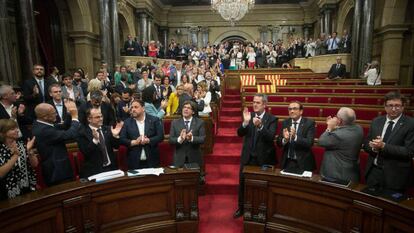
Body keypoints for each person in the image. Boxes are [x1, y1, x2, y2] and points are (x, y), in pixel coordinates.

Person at [234, 94, 277, 218]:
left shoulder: (272, 119)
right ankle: (241, 208)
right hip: (247, 156)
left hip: (263, 158)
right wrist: (245, 123)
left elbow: (270, 137)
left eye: (258, 102)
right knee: (242, 183)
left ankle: (260, 210)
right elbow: (239, 133)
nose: (254, 104)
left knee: (262, 185)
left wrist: (260, 126)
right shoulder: (249, 116)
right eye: (253, 102)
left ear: (264, 104)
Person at [363, 92, 414, 194]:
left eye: (397, 106)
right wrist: (374, 147)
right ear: (385, 107)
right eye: (390, 105)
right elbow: (366, 143)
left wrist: (383, 146)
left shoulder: (411, 124)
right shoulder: (376, 121)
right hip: (374, 172)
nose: (394, 109)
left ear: (403, 107)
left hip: (395, 176)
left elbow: (409, 152)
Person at [32, 101, 80, 186]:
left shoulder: (40, 123)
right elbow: (70, 134)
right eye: (54, 113)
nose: (57, 115)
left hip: (56, 169)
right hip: (57, 172)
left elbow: (64, 126)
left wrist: (69, 113)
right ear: (45, 117)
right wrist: (75, 118)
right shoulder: (44, 130)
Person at [319, 107, 363, 184]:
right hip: (352, 173)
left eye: (336, 117)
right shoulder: (359, 129)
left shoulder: (338, 135)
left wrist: (329, 128)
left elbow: (321, 141)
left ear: (340, 120)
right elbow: (343, 130)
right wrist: (335, 126)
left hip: (337, 176)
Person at [77, 108, 123, 178]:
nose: (101, 119)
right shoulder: (82, 133)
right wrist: (95, 140)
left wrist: (115, 136)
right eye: (97, 117)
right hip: (94, 171)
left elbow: (116, 146)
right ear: (89, 119)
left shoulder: (107, 129)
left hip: (111, 169)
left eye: (101, 116)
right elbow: (85, 152)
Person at [120, 99, 164, 169]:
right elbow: (122, 139)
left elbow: (160, 136)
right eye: (132, 107)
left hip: (152, 159)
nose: (133, 109)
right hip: (134, 161)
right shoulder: (127, 122)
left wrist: (149, 140)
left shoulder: (154, 120)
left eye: (136, 107)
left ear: (143, 108)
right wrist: (134, 142)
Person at [0, 119, 37, 200]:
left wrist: (30, 151)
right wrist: (15, 156)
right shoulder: (1, 149)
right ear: (2, 133)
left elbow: (34, 164)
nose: (17, 130)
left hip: (26, 187)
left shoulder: (21, 144)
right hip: (7, 191)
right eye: (12, 129)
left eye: (16, 128)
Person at [276, 101, 316, 172]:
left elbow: (310, 143)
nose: (292, 111)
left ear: (301, 111)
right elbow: (278, 143)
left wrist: (296, 137)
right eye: (290, 109)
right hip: (287, 162)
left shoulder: (309, 123)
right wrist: (285, 139)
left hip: (303, 162)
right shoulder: (285, 122)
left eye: (294, 109)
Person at [169, 100, 205, 171]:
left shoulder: (200, 122)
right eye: (184, 107)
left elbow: (202, 139)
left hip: (194, 157)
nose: (185, 109)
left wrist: (191, 138)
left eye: (188, 108)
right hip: (179, 158)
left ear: (193, 112)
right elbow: (171, 140)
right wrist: (180, 139)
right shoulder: (175, 122)